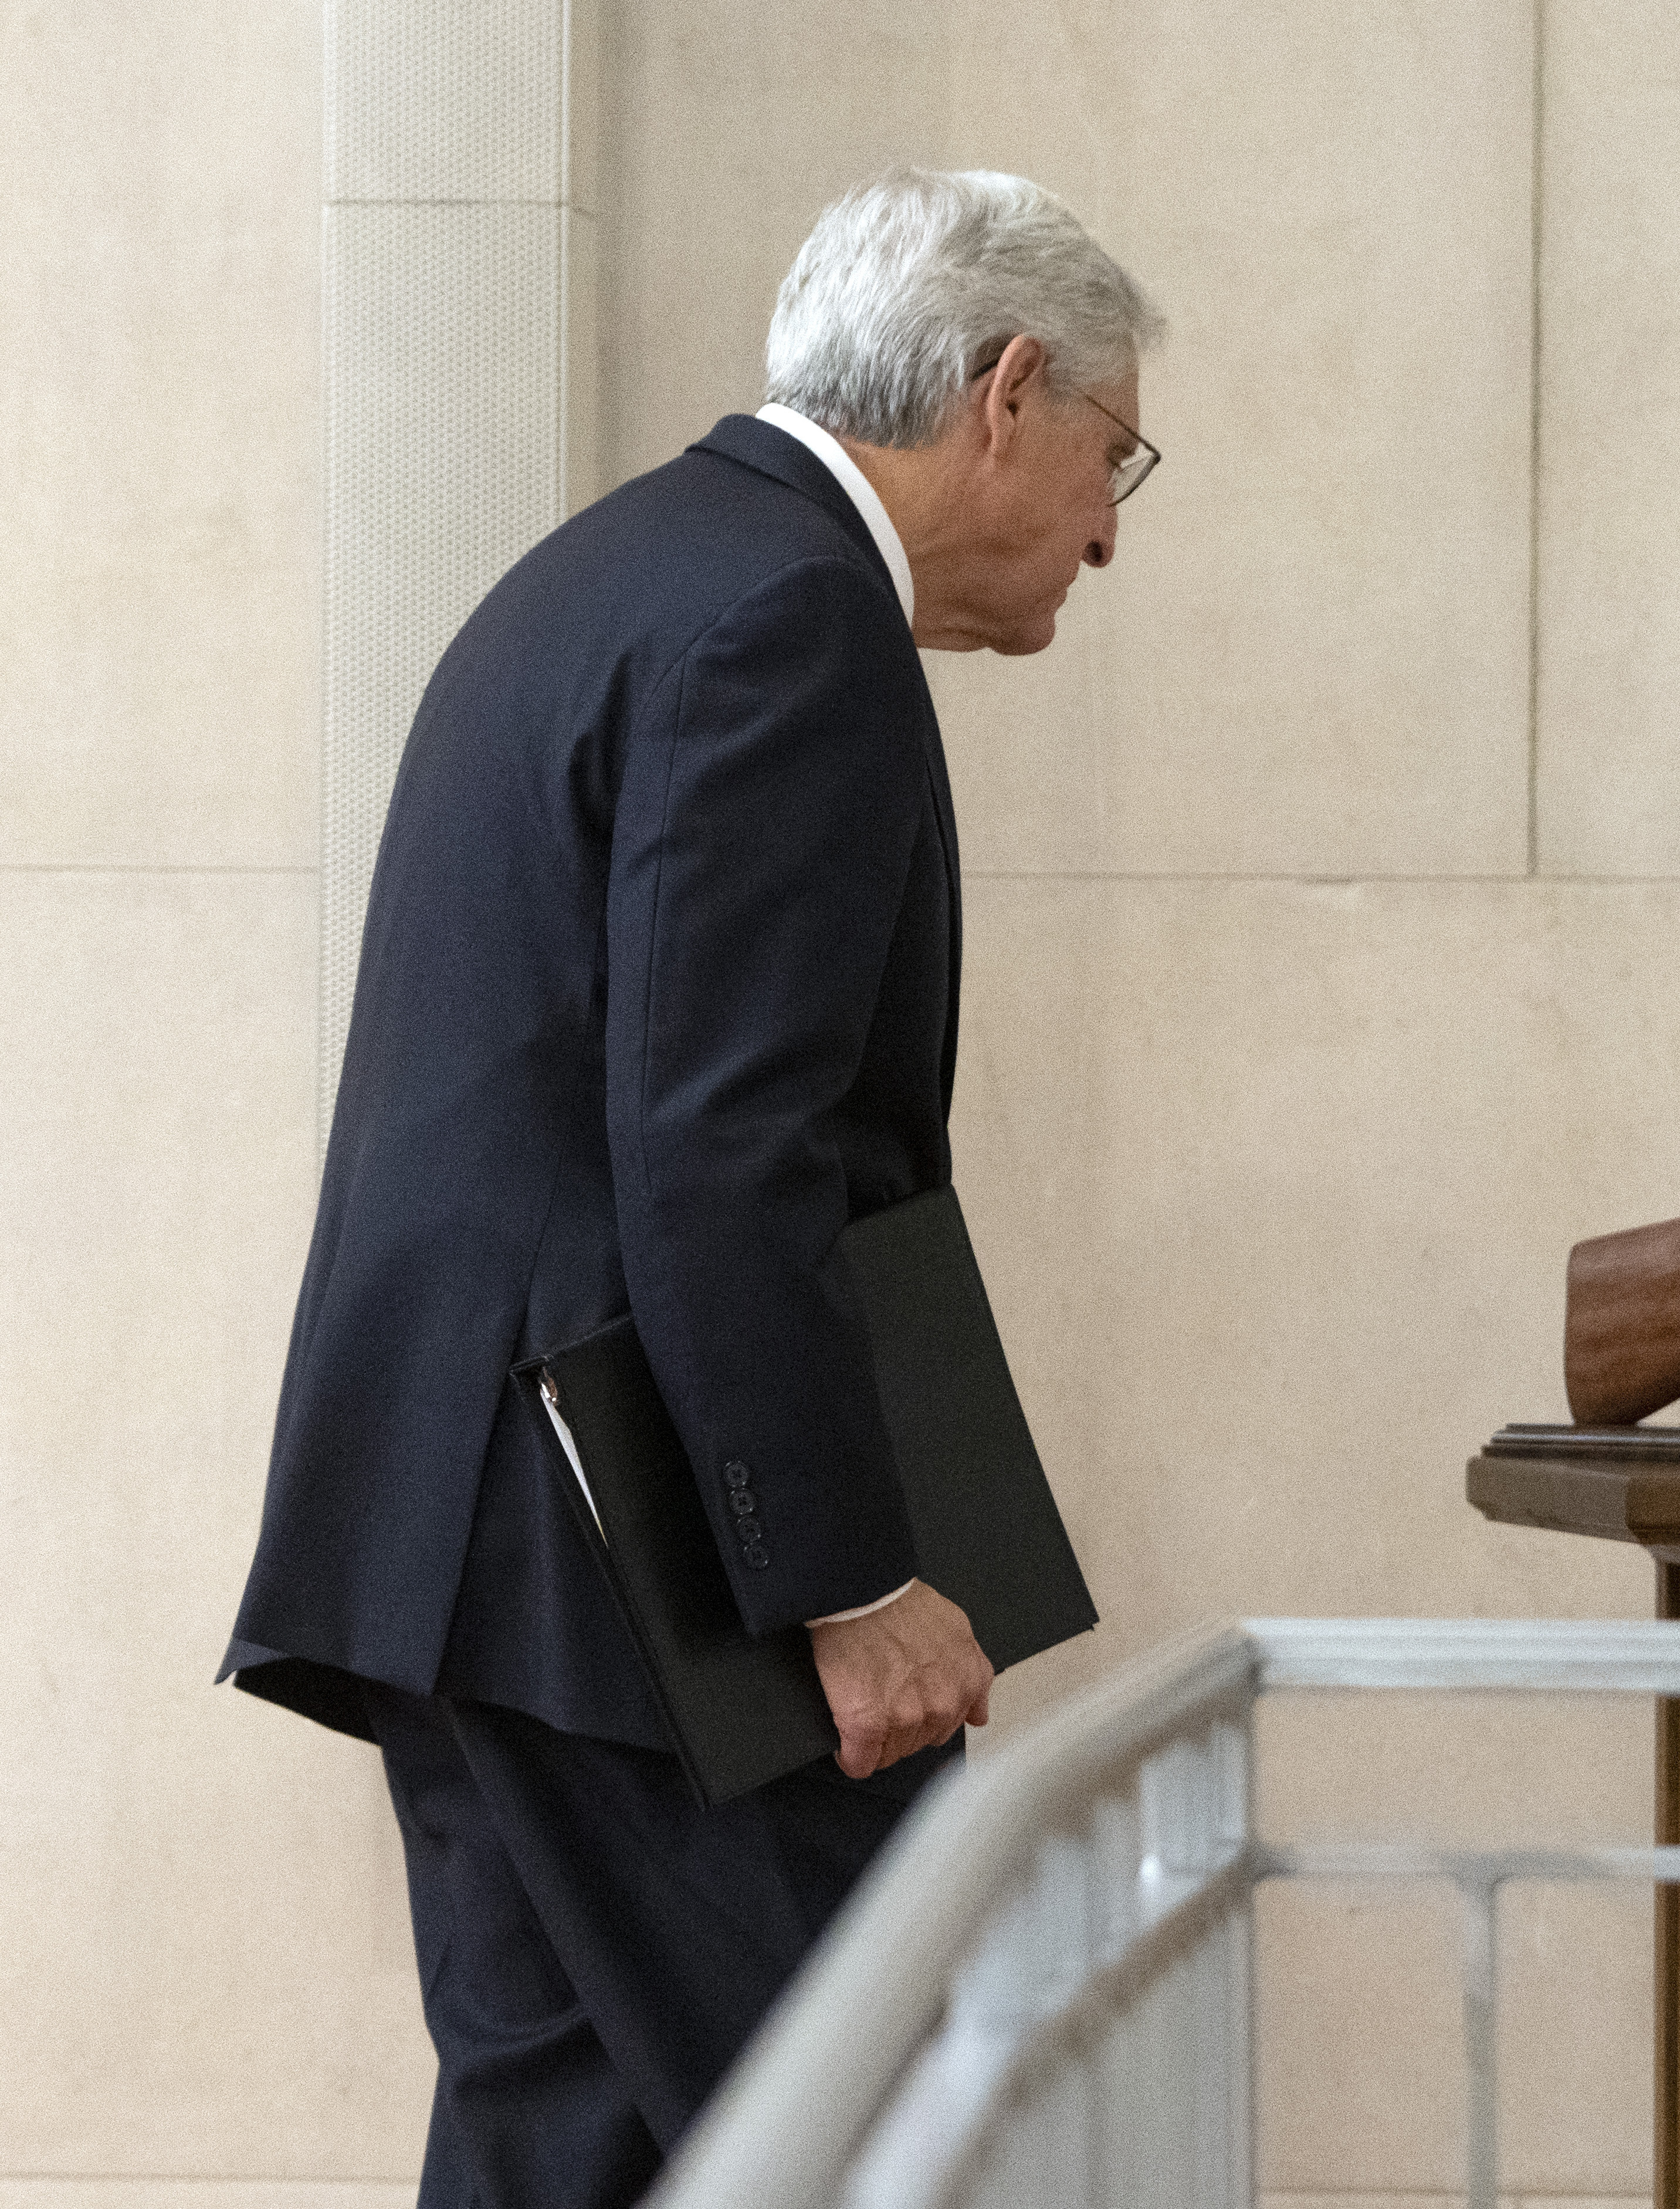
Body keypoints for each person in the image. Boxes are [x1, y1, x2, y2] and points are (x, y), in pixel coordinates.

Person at [216, 168, 1161, 2207]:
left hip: (468, 1538)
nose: (1104, 526)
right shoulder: (786, 618)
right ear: (1006, 393)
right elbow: (724, 1141)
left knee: (571, 2148)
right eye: (1114, 456)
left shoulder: (632, 566)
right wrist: (843, 1581)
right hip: (619, 1563)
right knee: (901, 2116)